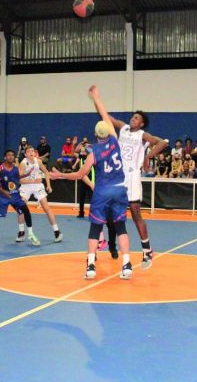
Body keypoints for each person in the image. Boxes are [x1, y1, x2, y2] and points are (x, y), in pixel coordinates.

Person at [50, 87, 132, 280]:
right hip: (120, 189)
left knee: (95, 228)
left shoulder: (94, 151)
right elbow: (104, 114)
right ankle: (127, 263)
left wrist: (59, 176)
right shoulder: (115, 140)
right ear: (107, 131)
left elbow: (80, 174)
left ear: (96, 135)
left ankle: (91, 266)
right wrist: (97, 98)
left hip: (103, 191)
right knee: (121, 227)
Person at [88, 85, 167, 268]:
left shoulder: (142, 135)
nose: (133, 118)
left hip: (131, 176)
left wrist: (148, 157)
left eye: (137, 118)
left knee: (135, 212)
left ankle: (147, 250)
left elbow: (162, 142)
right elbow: (106, 117)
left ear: (141, 124)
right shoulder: (122, 129)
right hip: (118, 176)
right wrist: (96, 99)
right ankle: (101, 243)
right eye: (133, 116)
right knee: (107, 210)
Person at [17, 146, 63, 243]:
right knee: (21, 208)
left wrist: (49, 185)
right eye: (29, 151)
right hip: (26, 186)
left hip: (38, 186)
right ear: (25, 154)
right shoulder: (23, 164)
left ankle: (57, 231)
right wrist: (32, 181)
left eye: (32, 151)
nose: (31, 153)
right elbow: (19, 180)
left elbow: (46, 172)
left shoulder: (38, 161)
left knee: (46, 208)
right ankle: (21, 232)